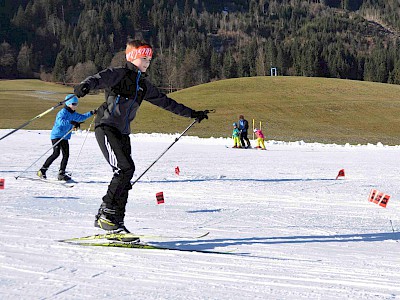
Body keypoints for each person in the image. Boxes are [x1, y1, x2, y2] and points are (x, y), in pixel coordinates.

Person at [73, 39, 209, 236]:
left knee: (127, 173)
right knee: (124, 168)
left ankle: (116, 221)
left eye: (149, 59)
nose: (147, 62)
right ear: (132, 57)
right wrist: (85, 86)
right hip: (106, 127)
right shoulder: (119, 74)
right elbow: (98, 78)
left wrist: (192, 113)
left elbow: (166, 102)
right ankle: (106, 216)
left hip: (123, 133)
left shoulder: (143, 85)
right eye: (143, 58)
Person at [37, 95, 96, 181]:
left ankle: (61, 173)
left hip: (65, 137)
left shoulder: (73, 113)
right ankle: (42, 170)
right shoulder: (63, 112)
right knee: (56, 153)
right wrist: (71, 122)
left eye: (76, 104)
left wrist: (91, 112)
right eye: (74, 104)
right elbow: (60, 122)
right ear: (68, 103)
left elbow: (81, 117)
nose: (75, 106)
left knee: (66, 154)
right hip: (57, 135)